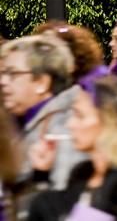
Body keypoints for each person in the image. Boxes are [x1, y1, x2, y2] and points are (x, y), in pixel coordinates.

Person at [28, 77, 117, 220]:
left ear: (110, 122)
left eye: (80, 116)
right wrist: (41, 173)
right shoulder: (82, 173)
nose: (70, 124)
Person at [0, 35, 85, 199]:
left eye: (12, 74)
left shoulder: (64, 128)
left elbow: (66, 204)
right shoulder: (20, 121)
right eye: (3, 73)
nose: (3, 81)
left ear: (41, 83)